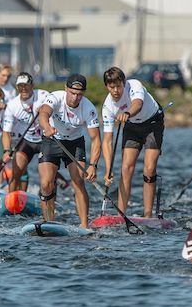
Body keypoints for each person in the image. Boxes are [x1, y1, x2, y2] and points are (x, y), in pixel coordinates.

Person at [34, 74, 100, 227]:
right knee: (46, 184)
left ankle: (84, 226)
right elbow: (43, 113)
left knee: (78, 181)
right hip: (52, 140)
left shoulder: (88, 108)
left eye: (79, 94)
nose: (75, 98)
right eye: (72, 93)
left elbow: (96, 139)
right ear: (66, 89)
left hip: (75, 143)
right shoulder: (55, 97)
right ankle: (49, 222)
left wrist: (93, 165)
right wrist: (47, 127)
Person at [100, 66, 165, 218]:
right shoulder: (107, 106)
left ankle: (148, 215)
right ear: (107, 86)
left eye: (118, 86)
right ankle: (121, 215)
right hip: (132, 128)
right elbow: (107, 141)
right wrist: (108, 169)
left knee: (149, 170)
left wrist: (127, 113)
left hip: (153, 124)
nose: (115, 91)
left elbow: (137, 104)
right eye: (111, 87)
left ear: (124, 83)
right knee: (126, 169)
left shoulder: (134, 85)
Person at [1, 73, 51, 194]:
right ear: (17, 87)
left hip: (45, 140)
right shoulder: (12, 106)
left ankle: (46, 199)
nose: (23, 88)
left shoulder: (44, 96)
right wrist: (7, 151)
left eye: (26, 85)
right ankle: (12, 200)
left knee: (47, 178)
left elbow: (59, 108)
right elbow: (6, 132)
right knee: (16, 172)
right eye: (20, 86)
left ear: (32, 85)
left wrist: (46, 109)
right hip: (27, 141)